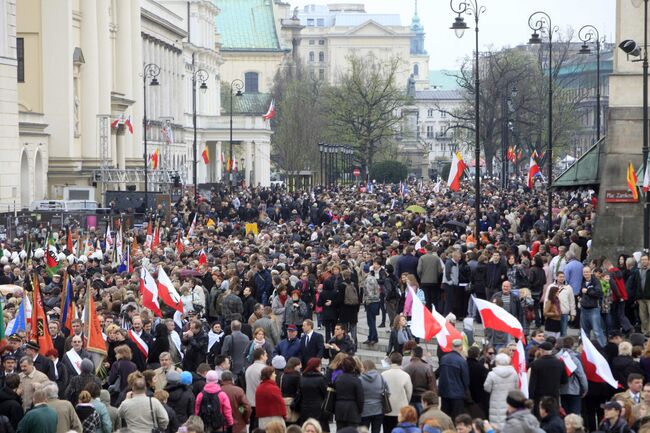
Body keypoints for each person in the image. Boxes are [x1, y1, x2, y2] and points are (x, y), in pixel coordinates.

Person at [528, 341, 567, 413]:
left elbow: (532, 383)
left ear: (541, 351)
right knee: (553, 415)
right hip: (554, 395)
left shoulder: (535, 364)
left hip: (539, 397)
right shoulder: (560, 363)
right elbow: (564, 380)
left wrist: (530, 398)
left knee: (540, 416)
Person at [483, 353, 518, 430]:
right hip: (509, 403)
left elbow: (487, 388)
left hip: (495, 403)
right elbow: (516, 388)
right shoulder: (514, 373)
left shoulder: (492, 374)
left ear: (497, 362)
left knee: (495, 426)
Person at [436, 339, 469, 419]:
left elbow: (438, 373)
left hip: (445, 393)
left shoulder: (444, 358)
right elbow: (466, 380)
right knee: (456, 418)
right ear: (461, 348)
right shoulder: (462, 361)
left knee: (445, 417)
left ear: (451, 347)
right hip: (457, 394)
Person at [382, 352, 413, 433]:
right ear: (401, 361)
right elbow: (409, 393)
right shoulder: (406, 375)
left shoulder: (383, 374)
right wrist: (406, 403)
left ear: (390, 361)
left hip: (387, 409)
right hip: (401, 410)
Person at [558, 337, 588, 415]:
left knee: (564, 414)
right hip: (575, 390)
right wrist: (585, 389)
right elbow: (581, 375)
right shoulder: (576, 358)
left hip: (560, 390)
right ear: (572, 345)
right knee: (575, 414)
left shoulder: (557, 358)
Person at [297, 358, 329, 432]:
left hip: (304, 408)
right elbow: (326, 395)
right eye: (320, 365)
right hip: (318, 409)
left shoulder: (302, 378)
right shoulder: (321, 379)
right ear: (316, 367)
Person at [333, 357, 364, 430]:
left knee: (340, 430)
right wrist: (359, 410)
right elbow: (360, 398)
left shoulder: (337, 378)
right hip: (352, 409)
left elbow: (334, 395)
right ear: (353, 367)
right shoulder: (356, 380)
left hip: (339, 408)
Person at [403, 346, 435, 415]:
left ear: (412, 354)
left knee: (411, 418)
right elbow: (432, 385)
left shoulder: (406, 368)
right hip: (423, 399)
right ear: (422, 355)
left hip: (410, 398)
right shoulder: (427, 367)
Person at [580, 265, 606, 347]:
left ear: (590, 272)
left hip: (593, 309)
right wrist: (579, 297)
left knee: (597, 331)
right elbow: (581, 292)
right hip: (584, 309)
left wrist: (587, 291)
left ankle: (603, 348)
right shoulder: (582, 281)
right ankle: (586, 349)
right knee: (584, 331)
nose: (586, 273)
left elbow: (599, 293)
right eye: (584, 272)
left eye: (587, 272)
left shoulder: (595, 281)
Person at [245, 348, 268, 429]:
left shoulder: (248, 368)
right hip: (261, 402)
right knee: (260, 426)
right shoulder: (264, 369)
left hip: (250, 401)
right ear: (261, 356)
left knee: (252, 424)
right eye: (266, 355)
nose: (267, 357)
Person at [360, 360, 385, 433]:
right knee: (376, 430)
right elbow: (387, 392)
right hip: (378, 409)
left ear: (365, 367)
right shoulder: (381, 377)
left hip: (364, 410)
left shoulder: (360, 379)